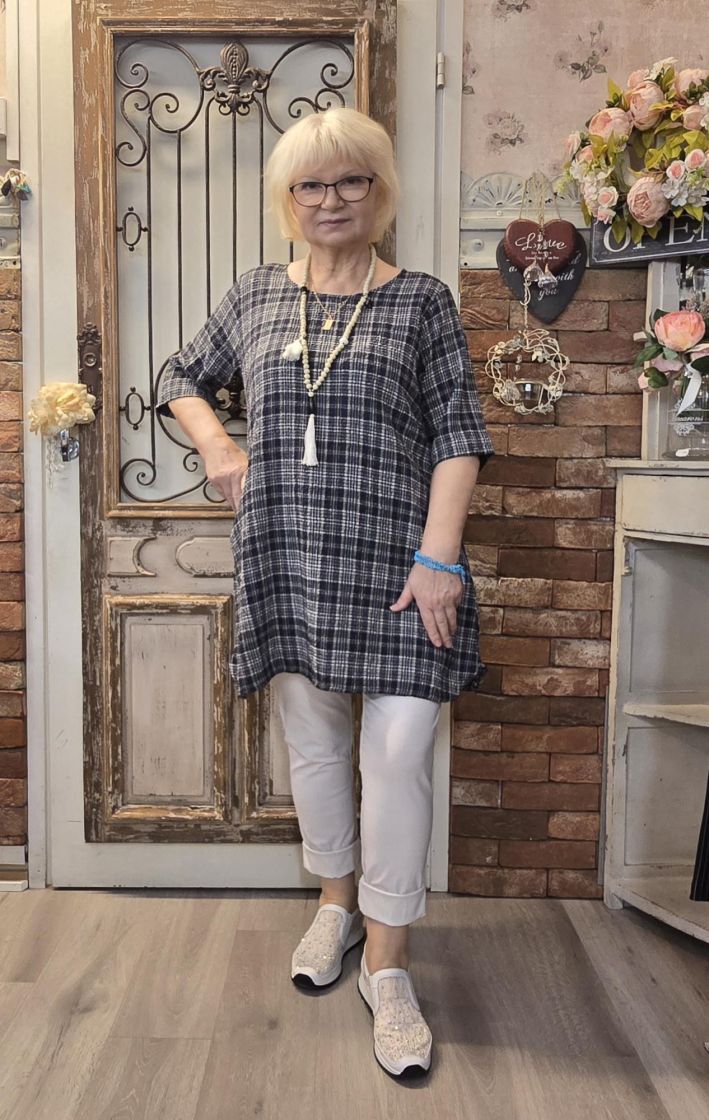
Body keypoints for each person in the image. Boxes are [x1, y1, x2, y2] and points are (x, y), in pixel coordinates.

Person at [156, 105, 494, 1081]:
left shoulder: (421, 301)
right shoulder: (257, 295)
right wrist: (218, 446)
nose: (331, 199)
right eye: (311, 184)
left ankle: (389, 967)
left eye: (350, 180)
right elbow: (179, 372)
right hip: (289, 557)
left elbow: (458, 434)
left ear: (378, 191)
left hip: (401, 569)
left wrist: (439, 560)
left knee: (396, 755)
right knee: (312, 746)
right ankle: (335, 904)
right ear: (288, 199)